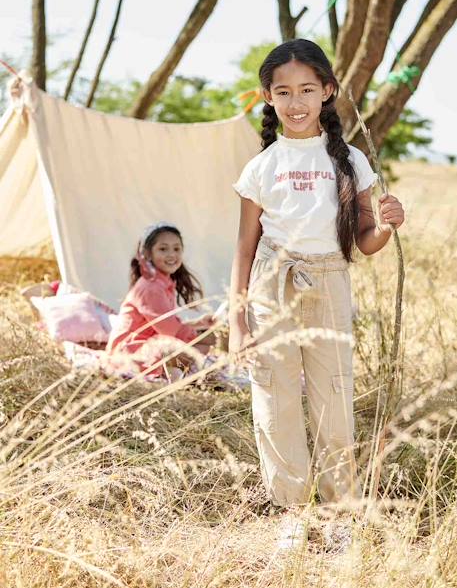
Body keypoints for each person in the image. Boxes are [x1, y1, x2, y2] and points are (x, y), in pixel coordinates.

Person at [228, 39, 405, 547]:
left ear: (327, 91)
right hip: (271, 283)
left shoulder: (350, 161)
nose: (296, 101)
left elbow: (367, 242)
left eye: (307, 89)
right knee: (274, 399)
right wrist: (237, 321)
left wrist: (389, 226)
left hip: (330, 280)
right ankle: (291, 514)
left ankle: (338, 517)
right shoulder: (260, 166)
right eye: (283, 92)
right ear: (267, 97)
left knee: (334, 398)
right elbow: (244, 247)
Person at [107, 221, 216, 380]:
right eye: (163, 249)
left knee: (202, 343)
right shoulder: (150, 287)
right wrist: (204, 336)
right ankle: (174, 375)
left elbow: (167, 324)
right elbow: (170, 331)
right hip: (128, 354)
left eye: (176, 249)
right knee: (202, 344)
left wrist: (199, 324)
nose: (171, 254)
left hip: (148, 345)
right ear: (148, 254)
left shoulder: (163, 283)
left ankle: (177, 373)